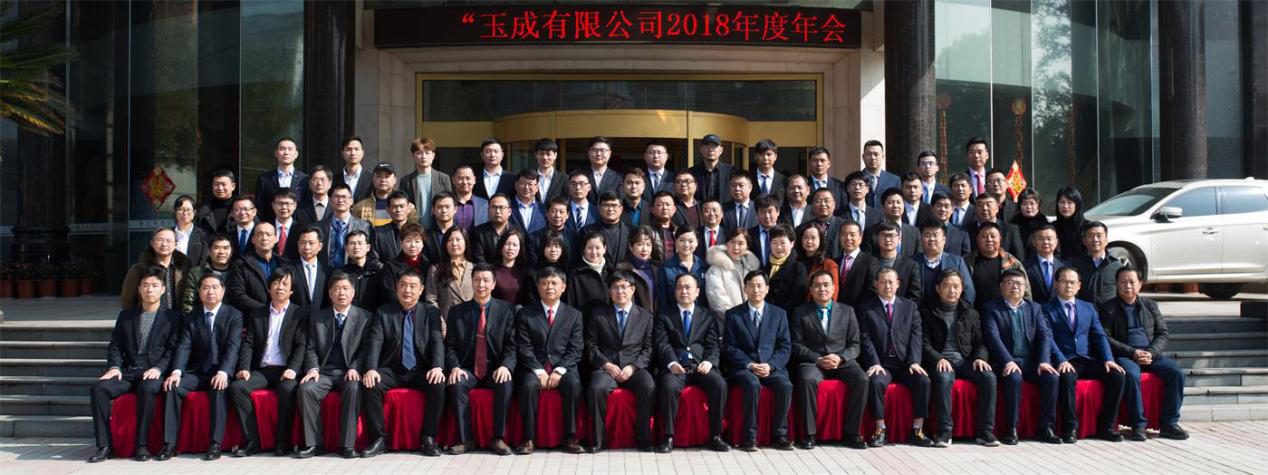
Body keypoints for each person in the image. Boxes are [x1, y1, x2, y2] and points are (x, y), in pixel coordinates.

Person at [89, 267, 180, 463]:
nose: (149, 290)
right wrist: (114, 367)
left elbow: (172, 350)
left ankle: (142, 445)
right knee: (99, 389)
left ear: (163, 289)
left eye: (154, 285)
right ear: (139, 289)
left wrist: (158, 369)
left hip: (154, 372)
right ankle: (105, 446)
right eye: (145, 285)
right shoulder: (126, 316)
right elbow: (116, 345)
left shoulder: (172, 318)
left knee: (147, 389)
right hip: (129, 372)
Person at [360, 270, 447, 457]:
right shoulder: (384, 312)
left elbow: (436, 341)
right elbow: (375, 341)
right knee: (370, 383)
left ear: (421, 289)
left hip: (420, 369)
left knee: (438, 383)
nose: (407, 290)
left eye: (413, 286)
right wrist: (371, 369)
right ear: (396, 287)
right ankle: (379, 439)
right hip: (392, 369)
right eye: (403, 285)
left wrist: (437, 366)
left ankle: (428, 438)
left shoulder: (431, 312)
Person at [160, 273, 244, 461]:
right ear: (198, 292)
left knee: (219, 388)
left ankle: (215, 444)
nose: (210, 292)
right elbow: (184, 346)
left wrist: (224, 372)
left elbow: (233, 347)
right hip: (198, 371)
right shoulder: (192, 317)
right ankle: (169, 444)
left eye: (215, 287)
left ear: (223, 290)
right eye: (205, 287)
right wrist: (176, 371)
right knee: (172, 386)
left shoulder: (234, 315)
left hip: (221, 371)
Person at [1098, 266, 1189, 441]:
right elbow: (1105, 337)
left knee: (1176, 373)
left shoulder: (1150, 305)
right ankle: (1138, 425)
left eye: (1132, 282)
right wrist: (1132, 353)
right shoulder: (1108, 308)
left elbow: (1163, 333)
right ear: (1116, 284)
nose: (1128, 286)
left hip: (1150, 354)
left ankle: (1169, 424)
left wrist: (1151, 352)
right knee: (1131, 375)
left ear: (1140, 284)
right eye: (1123, 282)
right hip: (1125, 355)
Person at [1044, 266, 1127, 443]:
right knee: (1067, 378)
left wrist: (1108, 359)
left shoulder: (1088, 308)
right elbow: (1048, 338)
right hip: (1064, 360)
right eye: (1064, 281)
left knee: (1117, 376)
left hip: (1087, 359)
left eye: (1072, 282)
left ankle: (1106, 427)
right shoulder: (1046, 309)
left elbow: (1099, 336)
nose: (1068, 286)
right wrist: (1061, 360)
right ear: (1056, 284)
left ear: (1079, 286)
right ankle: (1070, 428)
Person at [229, 269, 306, 457]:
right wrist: (244, 368)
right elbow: (248, 343)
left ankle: (282, 443)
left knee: (288, 389)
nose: (280, 288)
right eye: (276, 283)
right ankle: (252, 441)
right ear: (269, 288)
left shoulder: (300, 313)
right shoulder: (257, 313)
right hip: (262, 369)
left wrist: (293, 369)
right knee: (238, 387)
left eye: (285, 284)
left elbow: (301, 345)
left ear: (291, 291)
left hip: (285, 370)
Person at [789, 271, 869, 450]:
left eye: (826, 285)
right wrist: (817, 359)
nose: (822, 289)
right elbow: (797, 345)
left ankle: (852, 433)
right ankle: (809, 434)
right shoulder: (800, 312)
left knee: (862, 379)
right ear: (811, 289)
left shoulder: (848, 311)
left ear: (833, 288)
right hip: (813, 362)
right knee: (806, 379)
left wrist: (840, 358)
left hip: (842, 361)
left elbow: (855, 345)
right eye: (817, 285)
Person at [855, 267, 933, 447]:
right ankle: (880, 429)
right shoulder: (865, 308)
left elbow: (916, 335)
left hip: (905, 363)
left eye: (891, 282)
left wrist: (914, 361)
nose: (887, 286)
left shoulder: (910, 307)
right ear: (876, 285)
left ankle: (918, 430)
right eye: (883, 282)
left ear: (898, 284)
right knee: (875, 382)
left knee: (923, 381)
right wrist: (874, 363)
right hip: (882, 364)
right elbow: (865, 338)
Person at [980, 269, 1060, 445]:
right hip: (1005, 362)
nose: (1015, 287)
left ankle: (1046, 428)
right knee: (1014, 378)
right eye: (1010, 283)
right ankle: (1011, 429)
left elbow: (1044, 336)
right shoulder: (990, 308)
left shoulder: (1034, 308)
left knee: (1051, 377)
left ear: (1025, 287)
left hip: (1030, 362)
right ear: (1001, 286)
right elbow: (992, 338)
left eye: (1019, 283)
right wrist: (1008, 361)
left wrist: (1044, 361)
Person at [653, 274, 730, 453]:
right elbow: (662, 343)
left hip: (700, 366)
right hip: (676, 367)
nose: (684, 291)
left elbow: (713, 345)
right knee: (669, 386)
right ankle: (668, 436)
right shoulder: (664, 315)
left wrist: (709, 362)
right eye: (679, 287)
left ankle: (716, 435)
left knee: (719, 384)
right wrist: (671, 363)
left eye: (688, 287)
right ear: (674, 292)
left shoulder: (707, 315)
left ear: (697, 292)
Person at [296, 273, 370, 459]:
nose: (341, 293)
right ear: (329, 293)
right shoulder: (319, 317)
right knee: (306, 389)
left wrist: (355, 367)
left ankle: (347, 445)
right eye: (337, 289)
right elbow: (311, 347)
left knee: (354, 388)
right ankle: (314, 444)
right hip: (324, 372)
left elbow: (365, 349)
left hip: (349, 372)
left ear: (353, 292)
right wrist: (313, 368)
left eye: (346, 289)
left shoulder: (365, 317)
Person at [920, 270, 998, 447]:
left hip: (965, 361)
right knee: (943, 378)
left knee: (988, 377)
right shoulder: (927, 312)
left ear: (962, 288)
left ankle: (985, 431)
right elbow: (923, 343)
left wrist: (980, 358)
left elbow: (980, 342)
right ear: (938, 288)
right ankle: (944, 431)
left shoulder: (970, 312)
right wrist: (938, 358)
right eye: (947, 286)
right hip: (940, 361)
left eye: (956, 286)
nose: (952, 290)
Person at [445, 264, 517, 455]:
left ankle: (498, 438)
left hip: (495, 369)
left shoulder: (507, 310)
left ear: (493, 284)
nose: (481, 284)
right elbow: (450, 346)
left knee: (505, 382)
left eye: (486, 280)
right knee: (456, 383)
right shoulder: (457, 311)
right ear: (472, 282)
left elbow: (512, 345)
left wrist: (506, 366)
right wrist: (454, 367)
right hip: (468, 368)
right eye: (477, 280)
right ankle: (465, 440)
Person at [513, 267, 586, 455]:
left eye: (554, 283)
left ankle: (570, 437)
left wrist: (559, 370)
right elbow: (524, 347)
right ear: (538, 287)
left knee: (573, 384)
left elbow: (576, 349)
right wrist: (539, 371)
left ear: (563, 287)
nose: (549, 287)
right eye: (544, 283)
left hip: (564, 367)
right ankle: (528, 438)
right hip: (534, 367)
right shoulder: (525, 313)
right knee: (528, 385)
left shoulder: (574, 314)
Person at [584, 271, 657, 452]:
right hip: (607, 368)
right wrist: (606, 365)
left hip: (634, 369)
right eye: (615, 287)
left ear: (632, 290)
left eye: (624, 287)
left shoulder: (646, 316)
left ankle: (644, 438)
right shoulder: (598, 315)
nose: (620, 291)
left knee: (648, 386)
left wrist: (633, 367)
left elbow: (649, 348)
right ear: (609, 291)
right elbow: (590, 346)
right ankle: (598, 440)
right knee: (596, 388)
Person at [723, 271, 794, 451]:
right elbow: (730, 347)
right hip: (744, 368)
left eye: (760, 286)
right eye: (751, 286)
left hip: (771, 367)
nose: (756, 290)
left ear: (767, 289)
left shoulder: (779, 314)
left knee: (785, 386)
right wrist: (750, 364)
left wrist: (770, 365)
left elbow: (785, 347)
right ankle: (749, 437)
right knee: (752, 384)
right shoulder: (733, 314)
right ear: (745, 289)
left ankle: (780, 435)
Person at [226, 222, 289, 313]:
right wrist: (264, 310)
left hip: (281, 315)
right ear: (253, 239)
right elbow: (237, 294)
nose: (264, 238)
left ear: (276, 239)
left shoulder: (284, 264)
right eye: (260, 234)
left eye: (268, 234)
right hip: (252, 316)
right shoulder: (241, 264)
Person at [121, 228, 189, 311]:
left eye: (168, 241)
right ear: (152, 243)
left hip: (178, 316)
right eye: (160, 240)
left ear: (175, 244)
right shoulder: (139, 269)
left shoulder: (184, 268)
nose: (164, 244)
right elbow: (127, 300)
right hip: (149, 316)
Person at [966, 222, 1028, 308]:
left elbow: (1025, 289)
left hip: (1005, 311)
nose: (989, 239)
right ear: (977, 239)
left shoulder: (1011, 262)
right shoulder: (967, 261)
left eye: (993, 236)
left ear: (1000, 238)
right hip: (975, 311)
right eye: (984, 236)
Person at [915, 220, 975, 305]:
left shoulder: (957, 262)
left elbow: (968, 292)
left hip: (950, 312)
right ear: (921, 239)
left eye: (935, 235)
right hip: (918, 311)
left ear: (944, 239)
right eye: (927, 235)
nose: (932, 239)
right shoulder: (912, 262)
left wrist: (960, 311)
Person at [398, 137, 452, 229]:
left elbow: (450, 204)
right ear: (413, 156)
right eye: (419, 153)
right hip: (414, 229)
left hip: (438, 228)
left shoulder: (443, 179)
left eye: (427, 153)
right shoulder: (406, 181)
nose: (423, 157)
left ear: (433, 155)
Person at [704, 229, 761, 314]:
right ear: (726, 245)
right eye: (732, 242)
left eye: (740, 243)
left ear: (747, 247)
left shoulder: (752, 269)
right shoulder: (715, 270)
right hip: (728, 320)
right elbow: (718, 302)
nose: (736, 247)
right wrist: (735, 318)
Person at [866, 222, 923, 304]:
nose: (887, 239)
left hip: (903, 310)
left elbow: (915, 295)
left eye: (891, 235)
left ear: (899, 238)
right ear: (877, 238)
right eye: (883, 235)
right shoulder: (868, 262)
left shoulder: (911, 265)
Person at [318, 183, 372, 268]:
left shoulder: (364, 226)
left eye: (344, 197)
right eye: (336, 196)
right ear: (330, 200)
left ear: (351, 201)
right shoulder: (319, 226)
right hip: (325, 272)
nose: (340, 200)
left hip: (353, 271)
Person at [255, 137, 308, 223]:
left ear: (296, 154)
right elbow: (260, 206)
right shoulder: (264, 179)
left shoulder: (304, 179)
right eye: (282, 149)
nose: (286, 152)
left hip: (298, 226)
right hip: (271, 226)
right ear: (276, 153)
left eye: (290, 149)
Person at [426, 227, 473, 321]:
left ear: (466, 242)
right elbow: (431, 299)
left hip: (472, 322)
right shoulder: (436, 269)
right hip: (447, 322)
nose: (454, 243)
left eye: (458, 239)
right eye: (450, 240)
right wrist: (441, 323)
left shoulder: (475, 268)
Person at [1071, 221, 1123, 306]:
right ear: (1084, 241)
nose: (1095, 239)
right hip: (1084, 312)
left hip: (1109, 313)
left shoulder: (1116, 266)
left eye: (1099, 235)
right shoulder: (1075, 265)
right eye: (1090, 236)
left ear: (1106, 240)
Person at [377, 223, 430, 306]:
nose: (413, 245)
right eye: (408, 241)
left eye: (417, 241)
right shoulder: (391, 266)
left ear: (423, 244)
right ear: (401, 244)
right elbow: (390, 295)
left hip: (423, 310)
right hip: (397, 309)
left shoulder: (428, 265)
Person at [655, 226, 706, 311]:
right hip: (674, 316)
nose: (686, 244)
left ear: (697, 242)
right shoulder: (665, 268)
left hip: (700, 316)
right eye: (682, 240)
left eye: (691, 241)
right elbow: (662, 299)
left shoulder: (704, 267)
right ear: (675, 241)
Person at [180, 233, 233, 314]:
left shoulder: (238, 272)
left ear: (231, 252)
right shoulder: (196, 272)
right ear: (209, 252)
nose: (221, 252)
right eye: (216, 248)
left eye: (226, 248)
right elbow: (188, 303)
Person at [964, 192, 1026, 261]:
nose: (984, 208)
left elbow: (1019, 258)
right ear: (975, 208)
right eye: (980, 205)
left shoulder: (1011, 230)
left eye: (988, 205)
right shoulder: (965, 231)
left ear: (997, 208)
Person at [764, 224, 808, 314]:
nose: (779, 247)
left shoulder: (798, 268)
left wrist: (780, 316)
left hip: (789, 317)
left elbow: (798, 299)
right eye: (775, 242)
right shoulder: (764, 269)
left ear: (792, 243)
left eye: (783, 242)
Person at [351, 162, 411, 227]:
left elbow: (414, 229)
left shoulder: (407, 207)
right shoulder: (360, 207)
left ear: (395, 180)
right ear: (372, 179)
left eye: (387, 176)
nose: (383, 180)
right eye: (379, 176)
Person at [863, 189, 920, 255]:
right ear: (883, 206)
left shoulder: (914, 232)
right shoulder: (871, 232)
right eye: (890, 202)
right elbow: (867, 258)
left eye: (898, 202)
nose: (895, 206)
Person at [566, 233, 613, 314]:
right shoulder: (574, 276)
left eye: (597, 248)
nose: (594, 252)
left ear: (604, 249)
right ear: (584, 249)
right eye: (590, 248)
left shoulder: (612, 273)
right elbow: (570, 307)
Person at [338, 230, 385, 311]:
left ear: (368, 247)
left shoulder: (379, 271)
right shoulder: (340, 273)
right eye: (352, 243)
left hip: (375, 316)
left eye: (360, 243)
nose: (356, 247)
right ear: (346, 248)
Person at [616, 226, 660, 310]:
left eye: (648, 245)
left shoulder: (657, 268)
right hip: (636, 317)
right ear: (631, 246)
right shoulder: (623, 270)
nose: (645, 249)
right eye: (640, 244)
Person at [796, 188, 846, 260]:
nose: (822, 204)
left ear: (834, 204)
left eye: (826, 201)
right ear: (812, 205)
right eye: (818, 201)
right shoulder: (802, 229)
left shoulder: (844, 226)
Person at [835, 221, 877, 307]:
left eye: (852, 234)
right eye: (844, 234)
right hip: (836, 311)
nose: (848, 238)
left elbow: (872, 291)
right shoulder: (834, 261)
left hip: (859, 311)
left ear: (861, 237)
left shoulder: (870, 262)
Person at [583, 192, 631, 264]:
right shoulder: (587, 231)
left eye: (614, 205)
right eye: (606, 205)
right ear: (599, 208)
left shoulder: (630, 231)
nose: (610, 209)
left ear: (621, 209)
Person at [288, 225, 329, 310]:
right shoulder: (288, 269)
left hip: (320, 316)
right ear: (298, 244)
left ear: (320, 246)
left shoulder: (327, 271)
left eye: (311, 243)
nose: (307, 247)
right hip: (295, 316)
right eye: (303, 243)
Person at [527, 197, 576, 267]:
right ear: (547, 213)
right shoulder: (534, 238)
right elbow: (533, 265)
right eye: (553, 211)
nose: (557, 215)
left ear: (567, 215)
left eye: (561, 212)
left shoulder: (574, 237)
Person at [369, 191, 416, 262]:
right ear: (388, 210)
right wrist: (389, 268)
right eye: (394, 207)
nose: (398, 210)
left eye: (402, 206)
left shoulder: (417, 231)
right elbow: (373, 259)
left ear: (409, 208)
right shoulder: (378, 232)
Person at [1024, 223, 1065, 304]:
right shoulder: (1025, 266)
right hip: (1035, 309)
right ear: (1034, 242)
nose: (1045, 242)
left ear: (1056, 242)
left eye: (1049, 239)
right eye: (1041, 239)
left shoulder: (1065, 266)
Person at [470, 193, 514, 264]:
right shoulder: (478, 233)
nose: (497, 211)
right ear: (488, 210)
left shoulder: (517, 232)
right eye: (494, 207)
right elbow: (479, 260)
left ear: (509, 211)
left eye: (501, 207)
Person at [689, 134, 734, 204]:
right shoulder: (692, 173)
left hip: (725, 210)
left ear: (721, 150)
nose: (710, 149)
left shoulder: (731, 171)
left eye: (714, 146)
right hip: (699, 210)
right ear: (701, 149)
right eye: (707, 146)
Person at [491, 228, 531, 306]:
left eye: (515, 245)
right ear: (501, 245)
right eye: (507, 244)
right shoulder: (492, 271)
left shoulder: (526, 271)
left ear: (520, 248)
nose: (511, 248)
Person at [797, 225, 839, 299]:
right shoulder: (796, 262)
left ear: (820, 240)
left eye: (813, 238)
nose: (809, 241)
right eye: (806, 237)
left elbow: (833, 296)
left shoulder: (829, 265)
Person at [195, 169, 238, 236]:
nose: (220, 188)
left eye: (223, 184)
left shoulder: (242, 209)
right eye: (216, 184)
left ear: (233, 186)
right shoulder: (203, 210)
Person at [860, 140, 901, 209]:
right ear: (863, 157)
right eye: (869, 154)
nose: (872, 158)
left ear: (882, 156)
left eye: (876, 154)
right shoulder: (856, 179)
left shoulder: (895, 180)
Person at [1010, 188, 1048, 256]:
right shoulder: (1013, 224)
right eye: (1024, 204)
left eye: (1032, 203)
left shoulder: (1045, 224)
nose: (1028, 207)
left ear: (1038, 205)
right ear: (1019, 206)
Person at [1052, 186, 1087, 260]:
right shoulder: (1051, 227)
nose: (1065, 206)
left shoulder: (1087, 227)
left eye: (1069, 202)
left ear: (1077, 204)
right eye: (1062, 202)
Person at [451, 164, 490, 231]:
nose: (464, 182)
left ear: (474, 180)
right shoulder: (447, 204)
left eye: (468, 178)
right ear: (453, 180)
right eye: (460, 178)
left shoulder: (485, 204)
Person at [424, 192, 459, 265]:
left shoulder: (463, 234)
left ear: (455, 209)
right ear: (433, 210)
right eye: (439, 207)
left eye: (447, 207)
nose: (444, 211)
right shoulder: (426, 236)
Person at [584, 136, 621, 203]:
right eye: (594, 150)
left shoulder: (618, 178)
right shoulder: (580, 175)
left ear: (609, 153)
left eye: (602, 150)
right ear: (589, 152)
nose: (598, 154)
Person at [648, 191, 686, 256]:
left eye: (668, 204)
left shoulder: (679, 231)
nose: (665, 208)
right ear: (652, 209)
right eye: (660, 205)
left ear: (674, 209)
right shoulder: (647, 231)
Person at [747, 195, 782, 267]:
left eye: (770, 211)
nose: (767, 216)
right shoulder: (749, 234)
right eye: (762, 212)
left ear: (778, 212)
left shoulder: (786, 233)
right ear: (757, 214)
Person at [174, 195, 208, 266]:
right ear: (175, 211)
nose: (185, 213)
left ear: (194, 212)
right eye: (180, 209)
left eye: (188, 209)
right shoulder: (168, 234)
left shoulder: (202, 234)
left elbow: (204, 259)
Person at [336, 136, 373, 201]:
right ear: (342, 153)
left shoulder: (371, 179)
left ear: (362, 153)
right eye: (349, 149)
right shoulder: (334, 179)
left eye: (356, 149)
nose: (353, 153)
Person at [510, 169, 546, 234]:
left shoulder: (543, 209)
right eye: (523, 183)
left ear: (537, 188)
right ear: (516, 185)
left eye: (530, 184)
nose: (526, 187)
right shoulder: (507, 207)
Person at [532, 138, 566, 204]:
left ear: (555, 155)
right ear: (536, 155)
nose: (545, 157)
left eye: (548, 154)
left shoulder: (564, 179)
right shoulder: (529, 177)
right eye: (541, 154)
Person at [270, 190, 301, 261]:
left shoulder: (301, 229)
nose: (284, 207)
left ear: (295, 206)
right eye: (280, 203)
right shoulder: (266, 227)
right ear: (273, 205)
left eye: (287, 204)